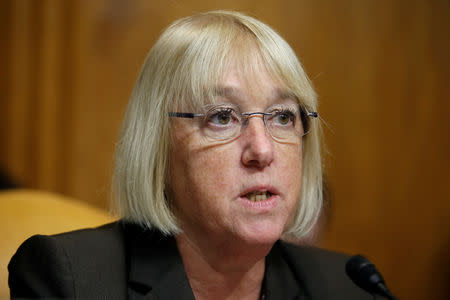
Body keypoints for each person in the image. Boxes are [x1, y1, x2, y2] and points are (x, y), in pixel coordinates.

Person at [8, 10, 371, 299]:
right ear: (158, 144)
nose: (262, 150)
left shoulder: (350, 286)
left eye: (282, 116)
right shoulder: (70, 281)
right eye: (222, 117)